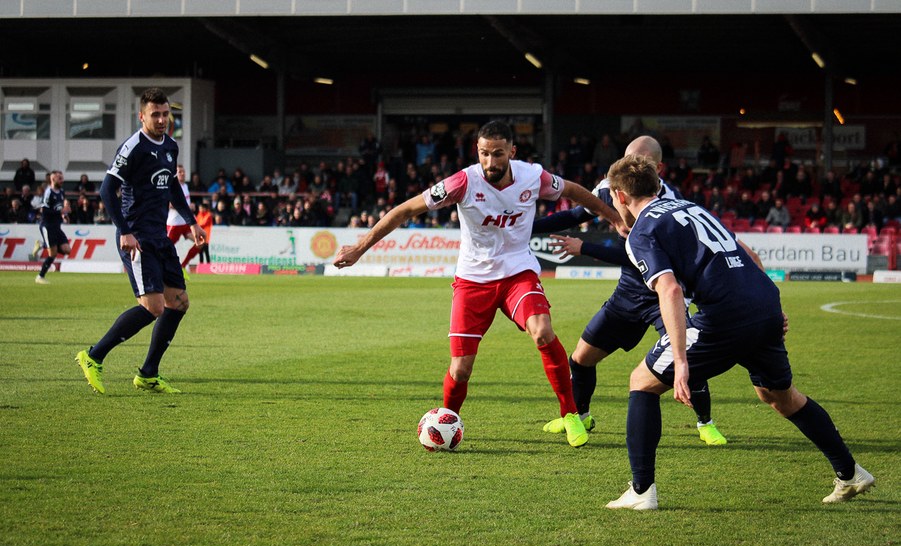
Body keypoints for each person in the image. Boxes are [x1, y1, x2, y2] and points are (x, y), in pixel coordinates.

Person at [602, 153, 874, 510]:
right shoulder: (691, 207)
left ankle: (641, 492)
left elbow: (669, 290)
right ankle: (850, 473)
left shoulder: (642, 231)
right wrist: (770, 309)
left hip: (724, 317)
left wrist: (681, 362)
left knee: (642, 381)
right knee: (780, 396)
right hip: (763, 303)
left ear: (620, 196)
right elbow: (746, 252)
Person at [334, 121, 628, 448]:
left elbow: (573, 191)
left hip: (518, 273)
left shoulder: (533, 176)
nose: (490, 161)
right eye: (484, 153)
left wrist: (614, 217)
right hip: (473, 281)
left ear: (512, 152)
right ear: (477, 151)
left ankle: (570, 414)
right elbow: (405, 210)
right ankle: (446, 422)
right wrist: (360, 247)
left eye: (498, 154)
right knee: (461, 369)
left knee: (543, 331)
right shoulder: (462, 182)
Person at [533, 136, 728, 446]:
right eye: (625, 159)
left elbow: (637, 258)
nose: (629, 167)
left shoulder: (669, 203)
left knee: (687, 356)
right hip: (627, 295)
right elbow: (575, 215)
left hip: (663, 295)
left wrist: (585, 247)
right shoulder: (611, 187)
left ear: (658, 168)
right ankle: (581, 416)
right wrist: (523, 227)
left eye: (639, 162)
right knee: (581, 359)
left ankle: (706, 423)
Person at [76, 87, 205, 396]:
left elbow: (172, 187)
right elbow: (107, 190)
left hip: (159, 236)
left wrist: (191, 221)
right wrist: (124, 230)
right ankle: (93, 356)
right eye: (155, 114)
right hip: (137, 237)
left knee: (179, 303)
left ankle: (148, 373)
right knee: (153, 307)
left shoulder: (170, 146)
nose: (161, 120)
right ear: (142, 116)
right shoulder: (133, 147)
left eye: (165, 114)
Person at [34, 170, 71, 284]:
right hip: (47, 226)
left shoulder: (61, 192)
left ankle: (43, 244)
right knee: (53, 254)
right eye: (59, 178)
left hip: (57, 226)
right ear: (53, 179)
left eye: (62, 178)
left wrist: (64, 215)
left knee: (67, 250)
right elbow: (44, 211)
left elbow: (59, 208)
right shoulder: (48, 192)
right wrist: (61, 212)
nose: (62, 180)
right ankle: (40, 277)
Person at [166, 164, 196, 278]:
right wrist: (186, 207)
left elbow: (186, 203)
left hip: (185, 223)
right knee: (164, 249)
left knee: (201, 242)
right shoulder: (172, 187)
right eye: (180, 172)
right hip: (174, 224)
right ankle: (160, 270)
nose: (182, 174)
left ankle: (183, 266)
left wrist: (191, 206)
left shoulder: (185, 186)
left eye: (183, 172)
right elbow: (169, 204)